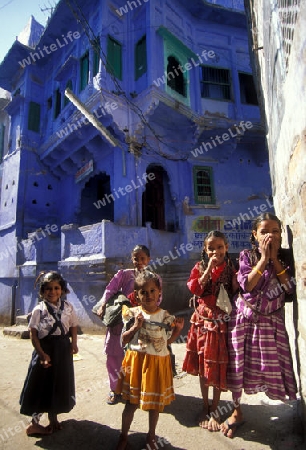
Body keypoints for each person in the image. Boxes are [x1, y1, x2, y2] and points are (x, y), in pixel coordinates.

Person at [221, 213, 297, 438]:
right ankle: (236, 411)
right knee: (237, 366)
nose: (270, 235)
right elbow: (247, 285)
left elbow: (289, 289)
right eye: (264, 232)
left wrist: (274, 260)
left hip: (271, 322)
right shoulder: (247, 255)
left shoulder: (285, 258)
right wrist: (264, 259)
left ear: (281, 235)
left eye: (275, 231)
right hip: (244, 319)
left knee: (271, 366)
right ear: (254, 235)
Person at [115, 270, 184, 450]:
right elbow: (123, 340)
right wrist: (136, 326)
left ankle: (151, 436)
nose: (148, 295)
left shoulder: (165, 316)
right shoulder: (132, 313)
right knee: (131, 403)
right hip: (136, 363)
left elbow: (166, 341)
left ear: (159, 292)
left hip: (157, 363)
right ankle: (123, 436)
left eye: (152, 291)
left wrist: (177, 330)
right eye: (143, 292)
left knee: (154, 405)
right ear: (136, 296)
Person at [182, 230, 239, 431]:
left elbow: (235, 293)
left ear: (226, 248)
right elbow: (196, 289)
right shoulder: (199, 267)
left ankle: (215, 410)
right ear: (205, 251)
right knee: (203, 367)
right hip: (201, 322)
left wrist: (235, 282)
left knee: (217, 365)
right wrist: (208, 271)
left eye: (220, 247)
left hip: (220, 324)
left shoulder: (231, 269)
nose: (216, 251)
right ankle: (205, 406)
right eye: (211, 248)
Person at [94, 245, 160, 405]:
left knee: (138, 357)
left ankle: (135, 389)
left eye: (143, 258)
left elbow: (158, 298)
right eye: (136, 258)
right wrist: (103, 304)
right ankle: (114, 389)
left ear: (149, 259)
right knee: (114, 356)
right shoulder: (124, 275)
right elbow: (110, 290)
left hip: (141, 322)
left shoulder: (154, 278)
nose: (139, 262)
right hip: (119, 321)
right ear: (132, 259)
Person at [20, 271, 78, 436]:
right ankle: (34, 424)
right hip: (45, 350)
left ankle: (53, 418)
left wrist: (73, 343)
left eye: (56, 288)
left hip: (62, 351)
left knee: (58, 384)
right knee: (41, 385)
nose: (52, 292)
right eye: (48, 289)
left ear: (62, 289)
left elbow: (73, 325)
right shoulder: (39, 310)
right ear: (42, 291)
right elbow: (33, 334)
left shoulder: (68, 307)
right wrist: (42, 354)